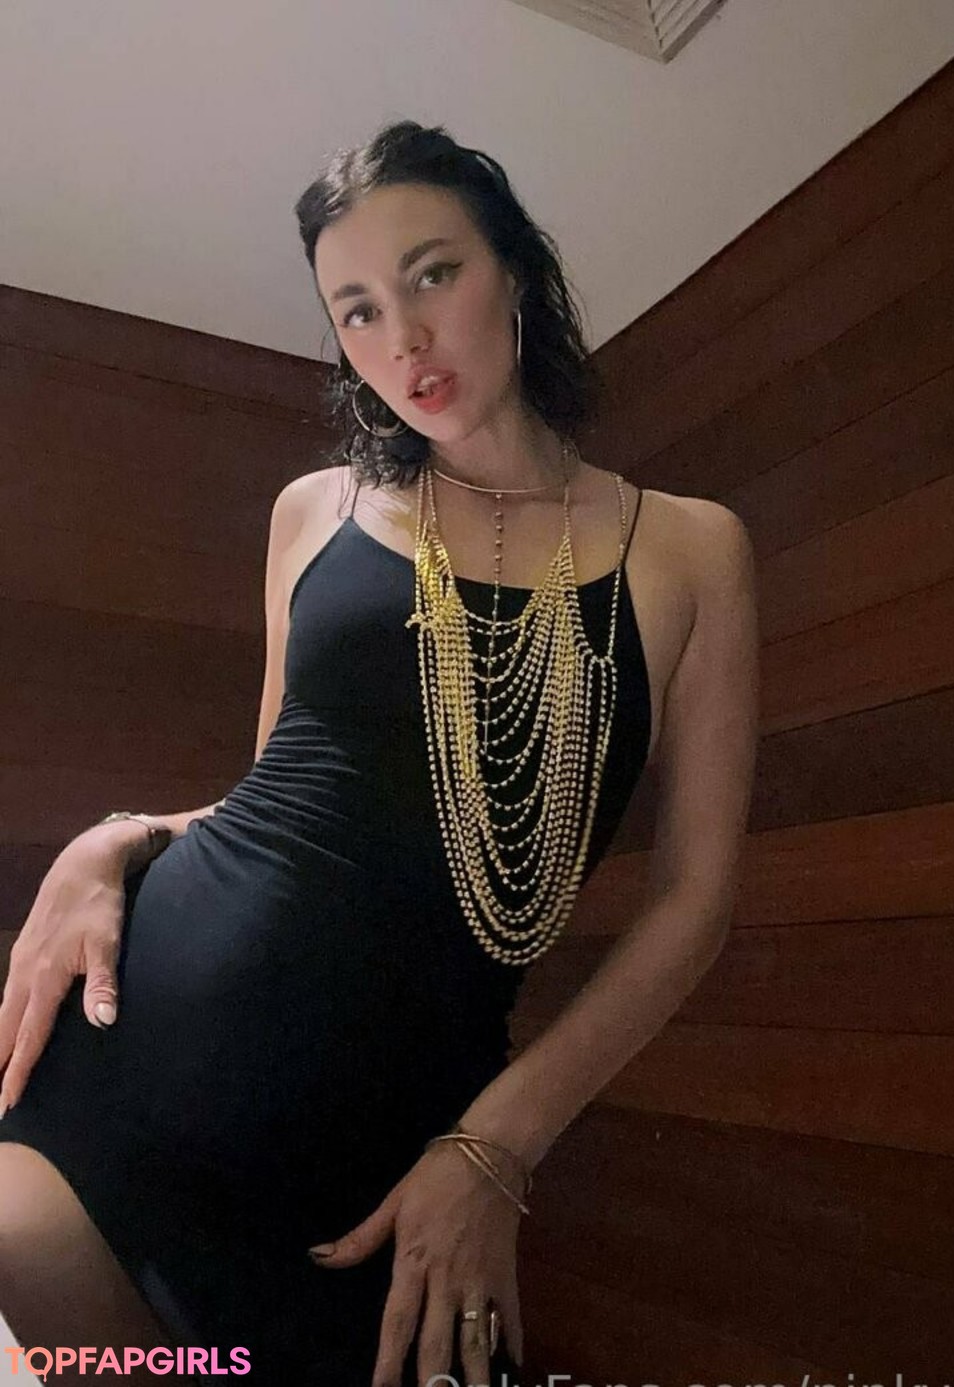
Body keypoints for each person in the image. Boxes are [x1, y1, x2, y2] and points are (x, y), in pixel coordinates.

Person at [0, 120, 759, 1385]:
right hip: (113, 1083)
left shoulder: (693, 549)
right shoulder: (318, 510)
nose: (401, 337)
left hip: (388, 1149)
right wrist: (115, 839)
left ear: (515, 271)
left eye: (432, 274)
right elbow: (274, 796)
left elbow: (696, 902)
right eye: (355, 309)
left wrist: (499, 1143)